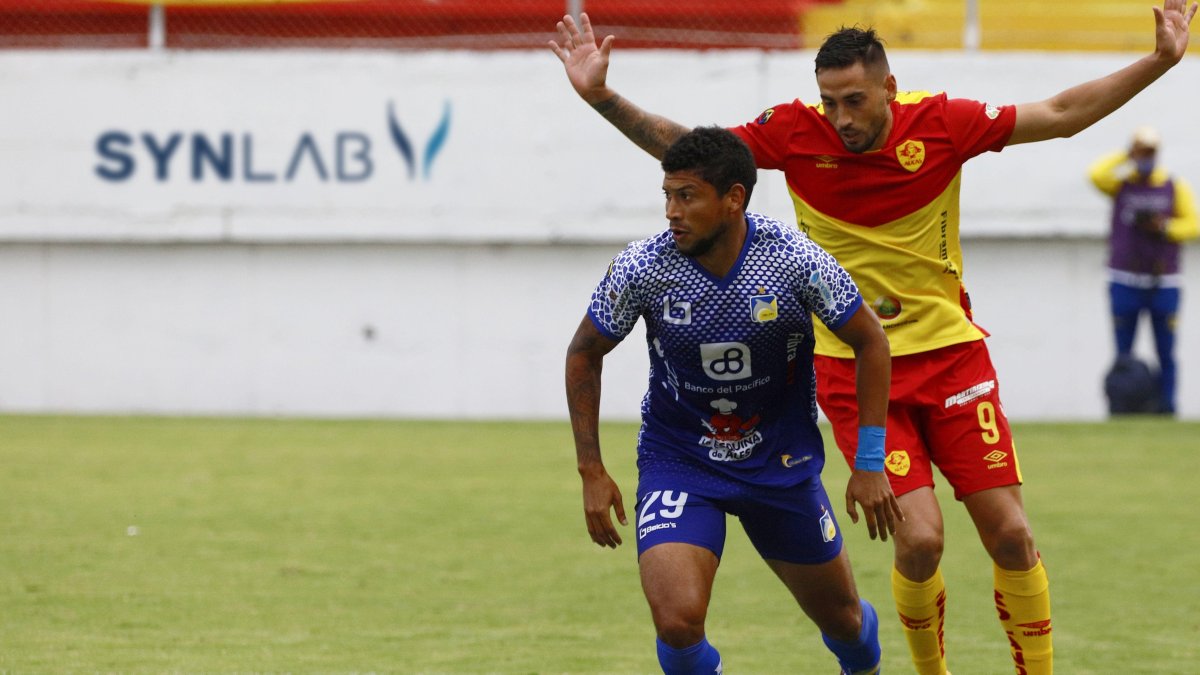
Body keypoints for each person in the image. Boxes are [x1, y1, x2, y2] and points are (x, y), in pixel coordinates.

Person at [550, 2, 1196, 673]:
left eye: (855, 100)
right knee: (919, 541)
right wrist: (601, 96)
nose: (842, 118)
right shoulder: (794, 133)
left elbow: (1060, 115)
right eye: (830, 102)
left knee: (1011, 533)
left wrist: (1157, 61)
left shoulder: (944, 123)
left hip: (952, 355)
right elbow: (696, 157)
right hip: (853, 364)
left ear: (889, 88)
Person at [564, 126, 902, 675]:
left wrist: (868, 462)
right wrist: (591, 469)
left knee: (844, 623)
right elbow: (583, 353)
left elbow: (871, 340)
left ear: (734, 199)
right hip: (681, 460)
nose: (671, 212)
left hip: (780, 463)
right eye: (667, 196)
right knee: (676, 621)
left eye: (687, 196)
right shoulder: (642, 267)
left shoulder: (793, 259)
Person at [1088, 125, 1198, 415]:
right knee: (1123, 351)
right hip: (1124, 279)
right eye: (1141, 150)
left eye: (1149, 151)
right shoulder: (1121, 184)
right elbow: (1095, 175)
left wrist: (1164, 227)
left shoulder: (1173, 186)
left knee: (1166, 351)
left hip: (1164, 281)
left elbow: (1194, 225)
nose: (1145, 156)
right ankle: (1121, 406)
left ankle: (1167, 407)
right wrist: (1127, 155)